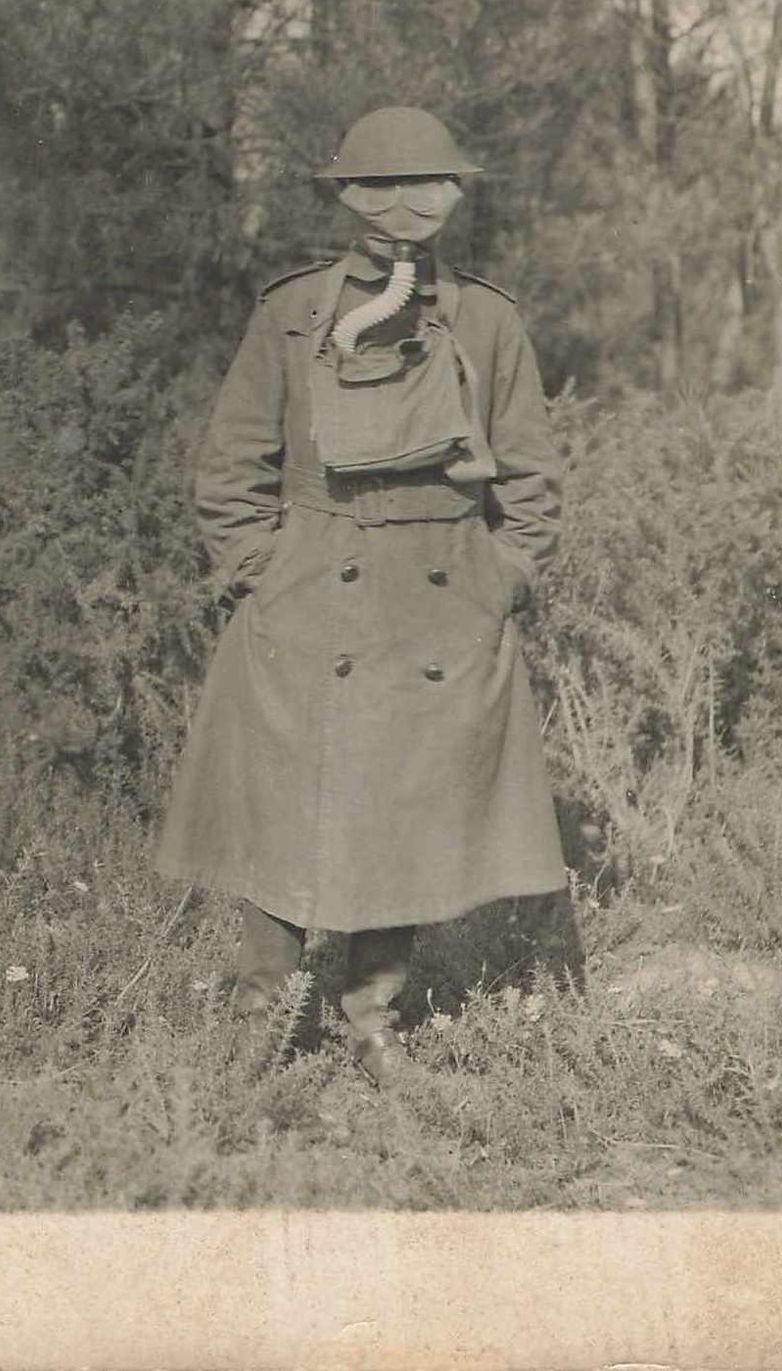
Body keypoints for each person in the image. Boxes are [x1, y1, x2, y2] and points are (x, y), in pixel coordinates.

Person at [156, 106, 566, 1088]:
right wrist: (265, 568)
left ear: (454, 196)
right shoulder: (291, 313)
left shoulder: (488, 319)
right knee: (284, 805)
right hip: (307, 596)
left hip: (436, 603)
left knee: (408, 811)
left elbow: (532, 483)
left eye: (428, 183)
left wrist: (496, 582)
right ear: (346, 198)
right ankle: (266, 1022)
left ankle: (370, 1020)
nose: (405, 204)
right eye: (379, 186)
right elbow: (229, 471)